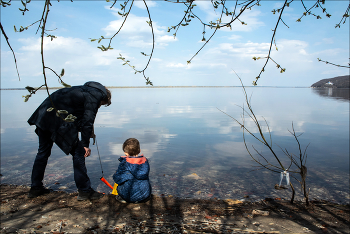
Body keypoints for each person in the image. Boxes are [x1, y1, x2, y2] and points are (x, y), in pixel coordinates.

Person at [27, 81, 111, 201]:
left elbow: (77, 114)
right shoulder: (96, 95)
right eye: (101, 105)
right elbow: (88, 120)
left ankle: (35, 188)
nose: (98, 106)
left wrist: (87, 131)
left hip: (44, 116)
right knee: (79, 153)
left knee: (42, 153)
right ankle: (84, 191)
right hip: (56, 119)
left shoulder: (83, 90)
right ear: (105, 97)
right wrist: (85, 144)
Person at [113, 138, 152, 203]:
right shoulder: (145, 162)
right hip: (145, 195)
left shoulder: (125, 164)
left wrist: (115, 174)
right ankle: (142, 197)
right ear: (139, 151)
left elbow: (117, 179)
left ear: (125, 153)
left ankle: (125, 198)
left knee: (119, 185)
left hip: (130, 196)